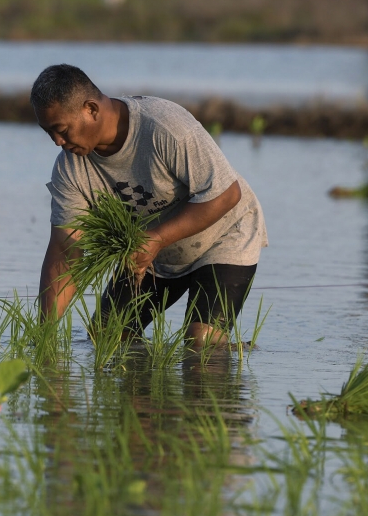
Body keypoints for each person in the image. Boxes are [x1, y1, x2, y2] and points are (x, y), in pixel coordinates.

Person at [32, 64, 267, 349]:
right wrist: (43, 335)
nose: (58, 142)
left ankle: (231, 354)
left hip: (225, 235)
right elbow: (66, 250)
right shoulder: (70, 170)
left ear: (91, 109)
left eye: (62, 130)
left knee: (201, 344)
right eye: (49, 133)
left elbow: (227, 194)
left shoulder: (165, 127)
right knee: (106, 337)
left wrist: (156, 238)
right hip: (154, 250)